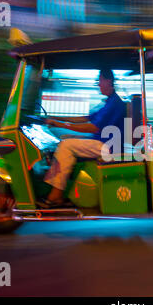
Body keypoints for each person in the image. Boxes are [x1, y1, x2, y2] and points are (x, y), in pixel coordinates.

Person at [37, 69, 126, 208]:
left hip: (109, 148)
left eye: (100, 80)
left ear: (109, 81)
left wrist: (60, 124)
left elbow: (93, 127)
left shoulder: (115, 103)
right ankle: (63, 189)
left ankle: (56, 194)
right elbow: (85, 118)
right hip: (102, 142)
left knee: (66, 145)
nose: (98, 84)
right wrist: (56, 118)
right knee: (66, 140)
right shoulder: (109, 102)